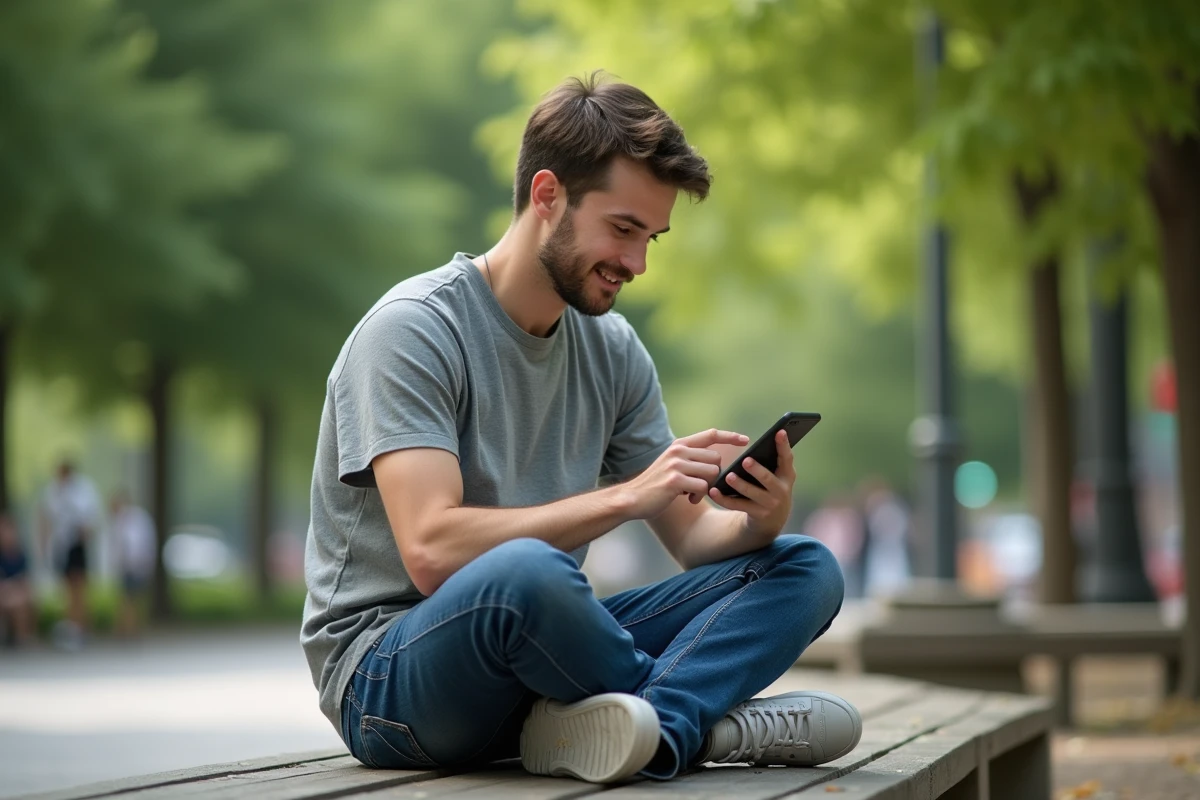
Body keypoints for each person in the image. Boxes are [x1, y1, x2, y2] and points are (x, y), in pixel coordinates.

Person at [301, 73, 859, 785]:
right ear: (546, 196)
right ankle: (696, 724)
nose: (637, 263)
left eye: (651, 237)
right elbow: (433, 551)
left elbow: (693, 540)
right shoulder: (413, 331)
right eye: (624, 229)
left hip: (542, 657)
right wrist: (627, 497)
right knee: (530, 574)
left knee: (805, 566)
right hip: (387, 678)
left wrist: (758, 520)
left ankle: (644, 728)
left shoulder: (613, 349)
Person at [38, 459, 102, 648]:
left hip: (76, 544)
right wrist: (44, 547)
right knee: (68, 591)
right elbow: (45, 517)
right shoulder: (53, 490)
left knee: (79, 588)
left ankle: (79, 629)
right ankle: (74, 628)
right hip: (61, 546)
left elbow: (91, 519)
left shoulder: (84, 490)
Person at [109, 490, 156, 638]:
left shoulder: (137, 518)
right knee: (128, 598)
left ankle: (129, 628)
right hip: (127, 566)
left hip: (137, 565)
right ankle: (127, 628)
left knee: (131, 598)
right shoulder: (120, 520)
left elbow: (141, 543)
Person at [0, 513, 36, 648]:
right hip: (4, 594)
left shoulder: (20, 555)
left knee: (22, 599)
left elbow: (24, 579)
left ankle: (22, 638)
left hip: (16, 593)